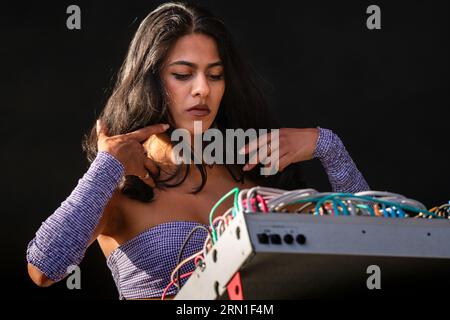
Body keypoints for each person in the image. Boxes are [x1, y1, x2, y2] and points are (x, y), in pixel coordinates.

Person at [26, 1, 369, 299]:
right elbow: (44, 267)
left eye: (215, 75)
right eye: (183, 74)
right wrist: (106, 168)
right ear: (150, 81)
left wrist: (329, 148)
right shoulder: (119, 190)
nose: (202, 89)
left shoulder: (248, 177)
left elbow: (374, 242)